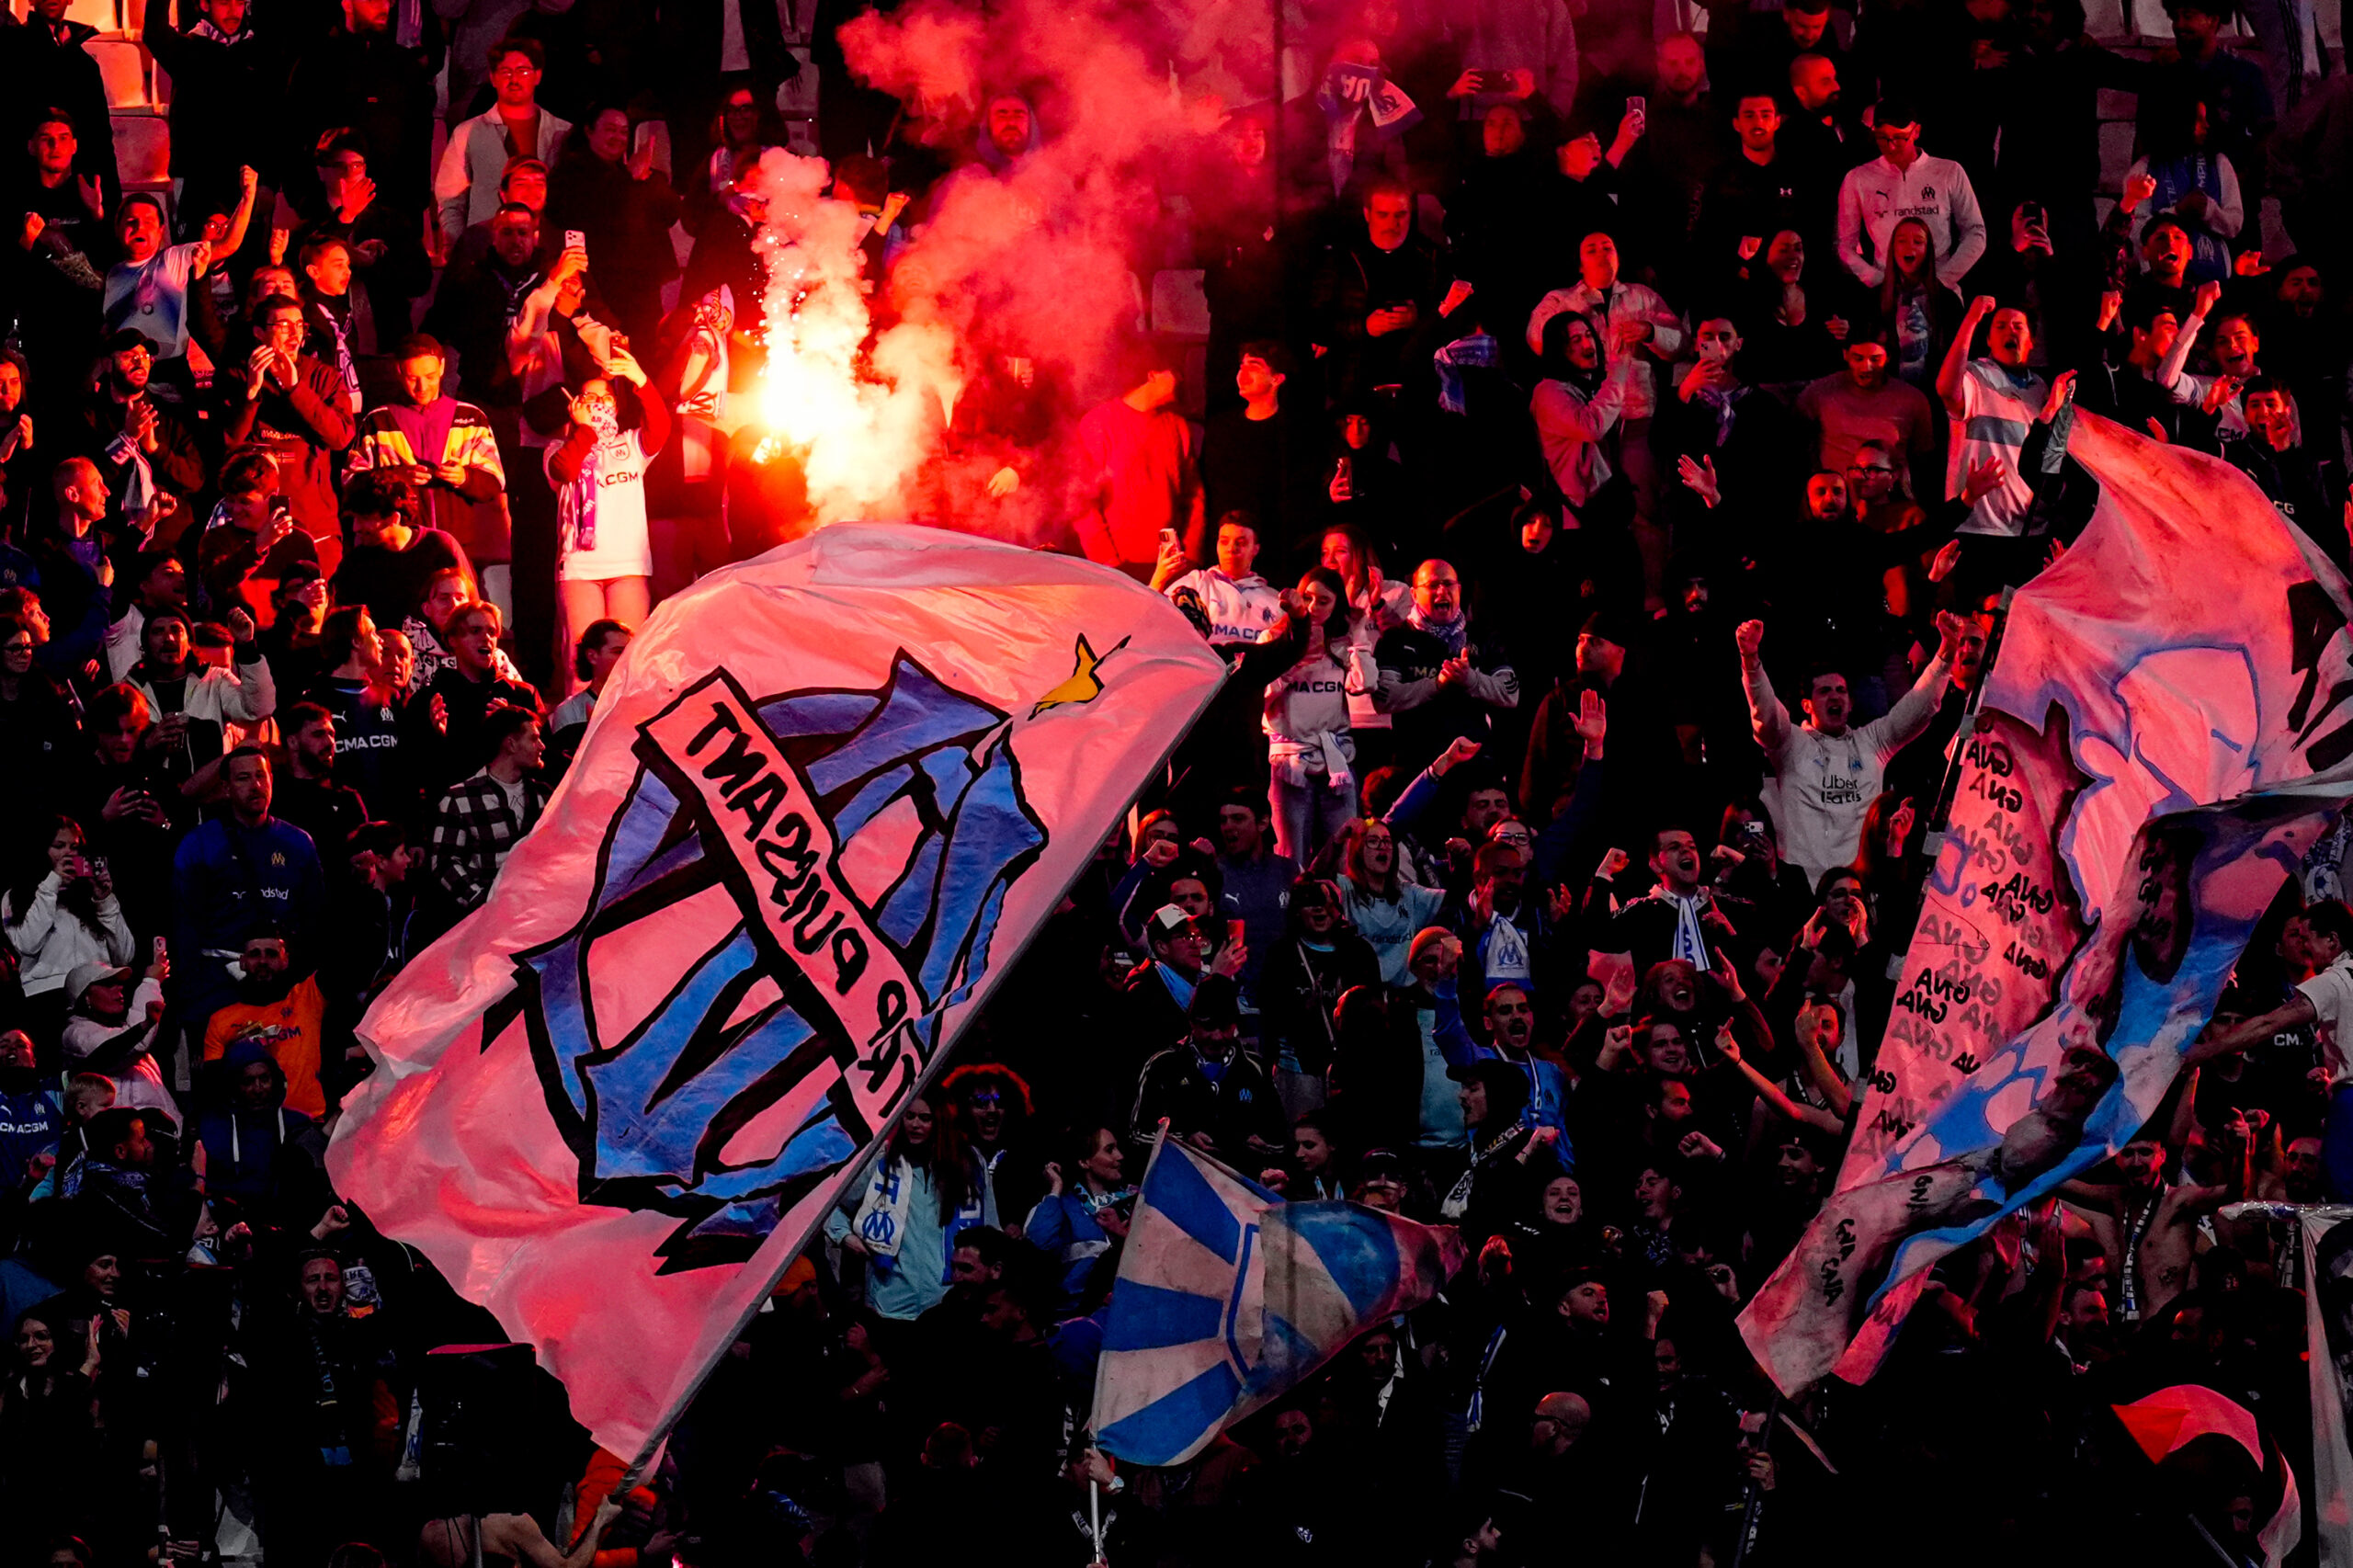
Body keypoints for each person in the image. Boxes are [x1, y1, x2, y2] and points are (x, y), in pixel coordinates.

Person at [1738, 614, 1961, 884]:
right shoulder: (1790, 743)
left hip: (1859, 889)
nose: (1834, 696)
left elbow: (1917, 708)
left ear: (1851, 703)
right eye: (1824, 691)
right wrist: (1751, 663)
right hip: (1801, 890)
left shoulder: (1872, 743)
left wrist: (1946, 655)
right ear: (1806, 705)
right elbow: (1766, 714)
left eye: (1841, 690)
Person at [547, 353, 667, 656]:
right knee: (583, 662)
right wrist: (585, 430)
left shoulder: (630, 444)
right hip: (580, 569)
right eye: (590, 396)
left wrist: (640, 379)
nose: (599, 403)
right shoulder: (557, 447)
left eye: (606, 397)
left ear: (616, 405)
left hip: (628, 567)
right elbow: (565, 470)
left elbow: (661, 427)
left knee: (627, 659)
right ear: (576, 405)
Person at [1835, 96, 1987, 291]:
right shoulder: (1858, 178)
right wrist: (1878, 280)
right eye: (1882, 137)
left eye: (1899, 138)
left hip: (1940, 287)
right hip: (1887, 290)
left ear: (1916, 132)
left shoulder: (1949, 171)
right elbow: (1845, 244)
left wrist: (1943, 279)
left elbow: (1975, 231)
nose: (1890, 146)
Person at [422, 701, 547, 937]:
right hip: (481, 931)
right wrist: (484, 903)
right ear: (510, 744)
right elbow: (445, 863)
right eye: (533, 739)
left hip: (535, 922)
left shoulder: (544, 797)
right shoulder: (459, 798)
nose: (542, 746)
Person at [437, 39, 574, 243]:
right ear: (493, 78)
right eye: (506, 72)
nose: (514, 79)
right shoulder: (468, 132)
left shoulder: (563, 132)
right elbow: (450, 200)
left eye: (523, 71)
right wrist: (462, 245)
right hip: (486, 249)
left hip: (547, 249)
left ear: (537, 75)